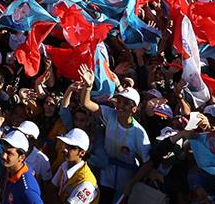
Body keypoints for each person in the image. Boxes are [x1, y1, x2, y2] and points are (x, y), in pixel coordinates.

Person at [79, 65, 150, 203]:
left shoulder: (139, 134)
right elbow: (86, 103)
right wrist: (88, 87)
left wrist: (132, 183)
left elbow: (148, 163)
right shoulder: (110, 114)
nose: (120, 106)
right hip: (106, 173)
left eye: (126, 103)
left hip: (126, 179)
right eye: (119, 101)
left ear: (134, 109)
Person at [50, 128, 99, 204]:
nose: (64, 149)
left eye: (70, 147)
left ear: (82, 153)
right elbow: (51, 189)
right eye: (64, 144)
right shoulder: (65, 165)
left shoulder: (86, 183)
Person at [0, 130, 43, 204]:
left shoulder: (27, 189)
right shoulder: (10, 170)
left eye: (9, 153)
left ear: (21, 157)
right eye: (3, 150)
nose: (3, 156)